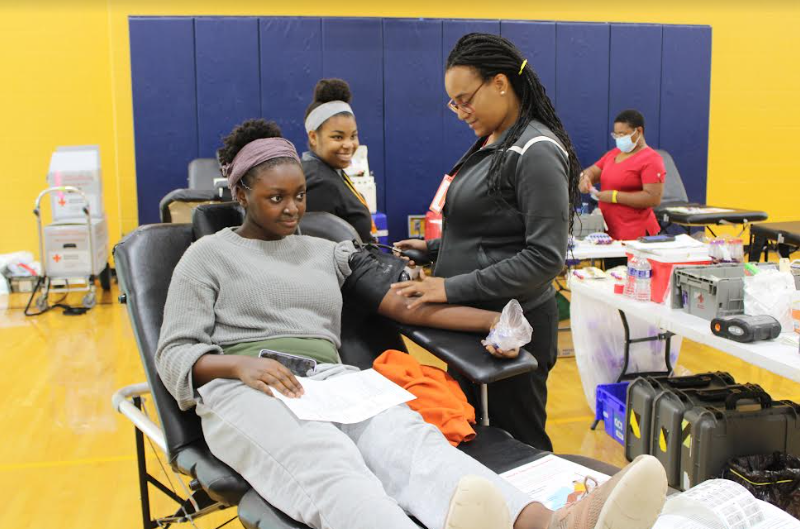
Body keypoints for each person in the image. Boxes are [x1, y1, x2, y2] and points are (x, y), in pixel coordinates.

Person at [155, 119, 668, 529]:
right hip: (244, 387)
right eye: (275, 199)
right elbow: (175, 353)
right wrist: (239, 366)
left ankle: (546, 523)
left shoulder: (325, 252)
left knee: (415, 445)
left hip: (329, 383)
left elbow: (406, 304)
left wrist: (494, 318)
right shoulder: (207, 257)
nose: (292, 210)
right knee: (333, 466)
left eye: (299, 196)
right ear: (240, 194)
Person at [394, 33, 581, 451]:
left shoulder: (535, 150)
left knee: (520, 445)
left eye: (465, 99)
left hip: (514, 328)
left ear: (500, 83)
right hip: (474, 323)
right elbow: (493, 233)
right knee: (482, 441)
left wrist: (448, 286)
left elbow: (544, 257)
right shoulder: (495, 141)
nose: (460, 112)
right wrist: (436, 252)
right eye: (453, 103)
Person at [302, 78, 375, 242]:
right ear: (313, 137)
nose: (349, 145)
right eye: (337, 137)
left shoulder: (331, 171)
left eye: (353, 136)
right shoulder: (319, 183)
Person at [578, 109, 666, 240]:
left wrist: (615, 196)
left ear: (639, 131)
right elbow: (591, 171)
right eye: (616, 135)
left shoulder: (651, 159)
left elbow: (653, 198)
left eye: (623, 134)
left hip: (636, 235)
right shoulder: (613, 154)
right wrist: (584, 178)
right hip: (609, 233)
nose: (619, 138)